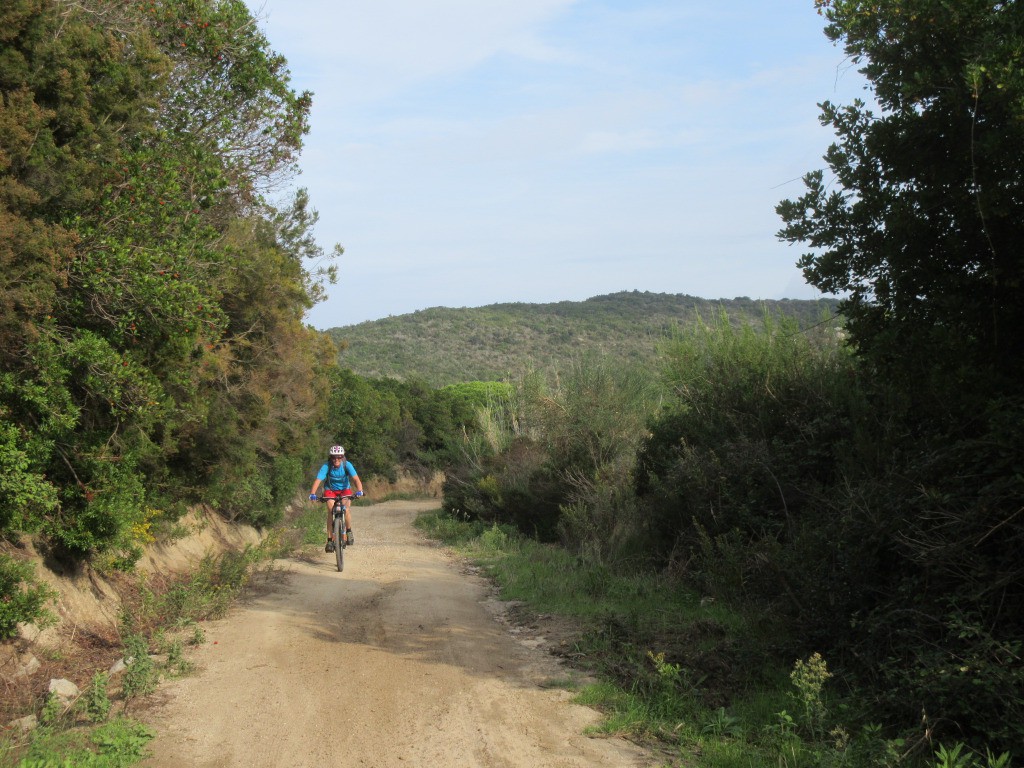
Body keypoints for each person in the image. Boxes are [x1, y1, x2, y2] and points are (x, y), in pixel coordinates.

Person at [309, 445, 364, 553]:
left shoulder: (347, 465)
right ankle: (329, 540)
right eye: (334, 457)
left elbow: (356, 479)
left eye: (339, 457)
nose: (336, 460)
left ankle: (348, 531)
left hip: (345, 489)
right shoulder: (326, 466)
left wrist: (360, 490)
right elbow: (318, 480)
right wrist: (312, 493)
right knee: (330, 511)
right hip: (330, 490)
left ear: (342, 457)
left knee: (346, 509)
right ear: (330, 458)